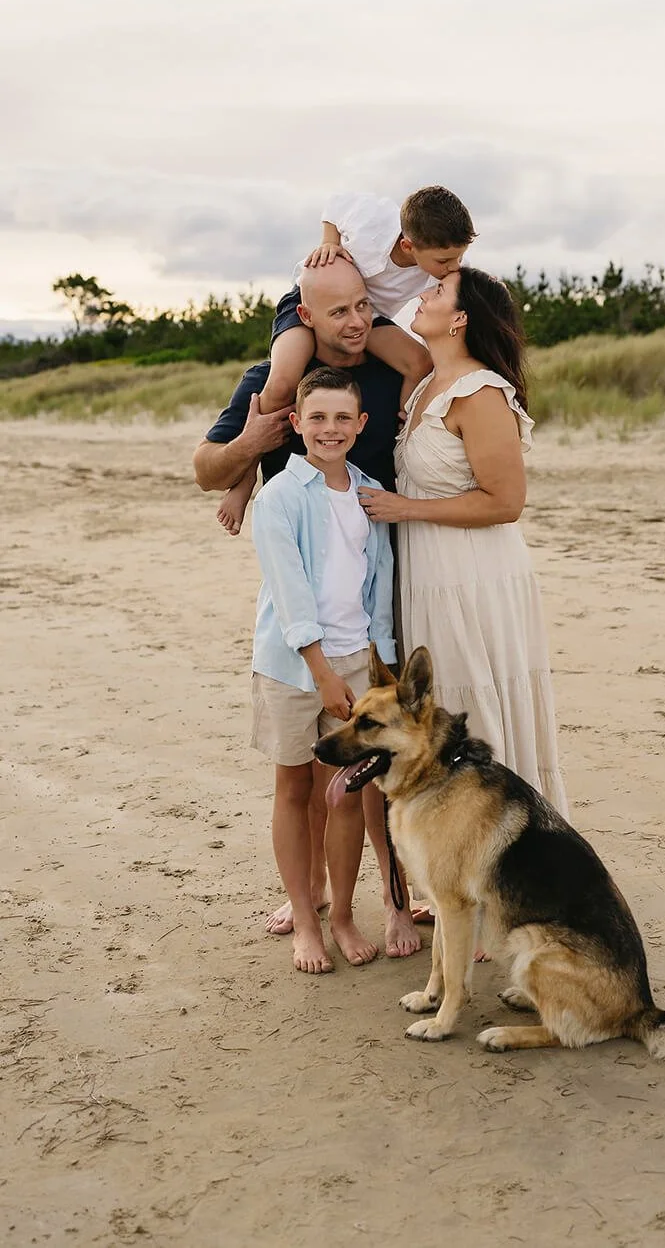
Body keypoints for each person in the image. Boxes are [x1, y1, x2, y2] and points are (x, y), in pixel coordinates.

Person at [193, 257, 422, 953]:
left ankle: (392, 902)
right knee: (310, 775)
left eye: (364, 308)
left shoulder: (388, 371)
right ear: (304, 317)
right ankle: (317, 897)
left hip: (380, 582)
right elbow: (207, 469)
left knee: (368, 775)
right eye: (340, 312)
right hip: (306, 619)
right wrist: (250, 456)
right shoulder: (270, 388)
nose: (357, 322)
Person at [358, 266, 569, 818]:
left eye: (437, 291)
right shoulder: (427, 380)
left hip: (474, 574)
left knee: (477, 703)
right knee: (441, 709)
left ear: (460, 319)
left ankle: (505, 846)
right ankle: (455, 856)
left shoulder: (480, 392)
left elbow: (506, 501)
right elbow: (354, 312)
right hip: (427, 574)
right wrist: (333, 245)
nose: (422, 294)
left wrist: (408, 509)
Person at [250, 365, 418, 973]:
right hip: (294, 665)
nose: (330, 428)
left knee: (348, 796)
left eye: (342, 417)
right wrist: (320, 669)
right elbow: (291, 593)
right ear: (296, 423)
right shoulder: (279, 498)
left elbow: (377, 591)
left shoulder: (368, 493)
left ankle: (343, 915)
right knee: (295, 787)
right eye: (317, 417)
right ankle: (305, 919)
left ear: (361, 424)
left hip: (354, 665)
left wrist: (385, 666)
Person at [216, 186, 477, 536]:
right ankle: (245, 477)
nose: (452, 267)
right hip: (309, 304)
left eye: (458, 258)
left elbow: (465, 287)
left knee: (418, 361)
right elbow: (336, 204)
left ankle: (404, 430)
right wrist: (329, 241)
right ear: (408, 246)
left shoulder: (440, 265)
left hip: (366, 314)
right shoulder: (376, 224)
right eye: (445, 261)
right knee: (281, 381)